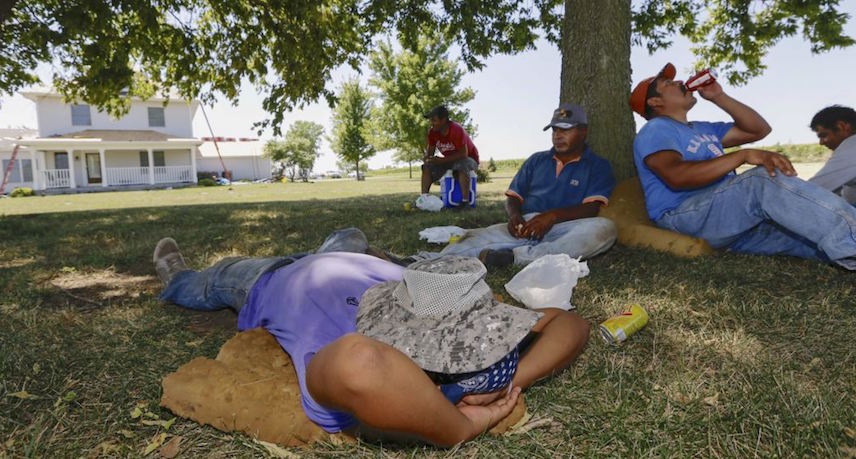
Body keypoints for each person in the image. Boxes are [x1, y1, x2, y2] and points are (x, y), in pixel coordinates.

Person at [153, 228, 589, 447]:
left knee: (350, 235)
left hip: (342, 263)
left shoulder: (443, 294)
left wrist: (513, 384)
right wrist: (461, 426)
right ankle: (177, 276)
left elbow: (572, 324)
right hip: (269, 279)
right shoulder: (329, 336)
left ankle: (355, 245)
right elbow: (360, 363)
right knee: (213, 280)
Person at [630, 62, 856, 269]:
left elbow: (758, 130)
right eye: (669, 83)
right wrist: (743, 156)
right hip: (685, 216)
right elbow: (676, 176)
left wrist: (719, 96)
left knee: (805, 234)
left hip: (730, 216)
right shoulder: (656, 129)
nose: (680, 82)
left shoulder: (703, 128)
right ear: (655, 102)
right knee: (760, 180)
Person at [422, 103, 617, 268]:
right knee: (475, 239)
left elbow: (592, 208)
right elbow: (513, 197)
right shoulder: (536, 160)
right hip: (526, 223)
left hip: (567, 227)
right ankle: (422, 261)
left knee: (604, 229)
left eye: (565, 129)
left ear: (583, 131)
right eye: (555, 130)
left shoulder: (597, 165)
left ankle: (514, 258)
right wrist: (515, 216)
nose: (558, 135)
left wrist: (552, 216)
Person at [422, 105, 480, 208]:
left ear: (443, 120)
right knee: (426, 166)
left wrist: (442, 160)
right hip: (449, 161)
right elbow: (430, 151)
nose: (432, 123)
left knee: (462, 165)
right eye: (431, 120)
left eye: (434, 120)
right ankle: (423, 199)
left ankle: (465, 202)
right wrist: (428, 158)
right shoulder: (432, 132)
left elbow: (463, 154)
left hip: (469, 159)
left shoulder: (456, 130)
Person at [808, 105, 856, 204]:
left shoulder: (852, 145)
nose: (821, 143)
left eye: (823, 135)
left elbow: (811, 191)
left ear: (841, 126)